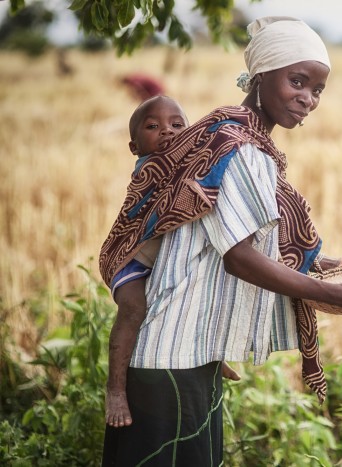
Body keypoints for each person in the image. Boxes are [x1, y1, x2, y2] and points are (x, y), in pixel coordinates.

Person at [100, 16, 342, 466]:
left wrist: (337, 264)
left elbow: (251, 241)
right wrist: (338, 294)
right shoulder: (240, 148)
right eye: (297, 81)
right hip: (170, 355)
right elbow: (239, 258)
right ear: (261, 76)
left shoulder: (232, 137)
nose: (307, 98)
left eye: (317, 89)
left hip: (190, 352)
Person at [105, 95, 240, 429]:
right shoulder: (150, 168)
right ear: (134, 146)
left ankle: (212, 353)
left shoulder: (186, 163)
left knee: (202, 291)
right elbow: (175, 197)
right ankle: (116, 389)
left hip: (164, 260)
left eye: (177, 125)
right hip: (132, 261)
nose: (166, 131)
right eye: (153, 126)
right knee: (134, 309)